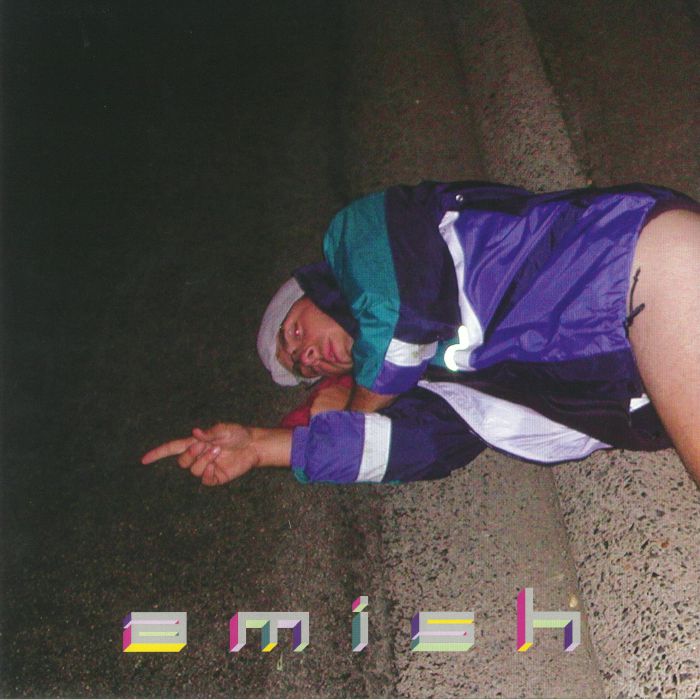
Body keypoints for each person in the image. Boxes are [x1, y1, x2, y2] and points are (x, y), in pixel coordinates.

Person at [141, 182, 700, 488]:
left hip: (632, 270)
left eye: (295, 333)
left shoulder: (360, 235)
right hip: (646, 380)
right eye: (304, 367)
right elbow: (421, 447)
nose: (308, 355)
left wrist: (355, 404)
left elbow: (399, 317)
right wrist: (263, 447)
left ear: (312, 289)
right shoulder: (439, 380)